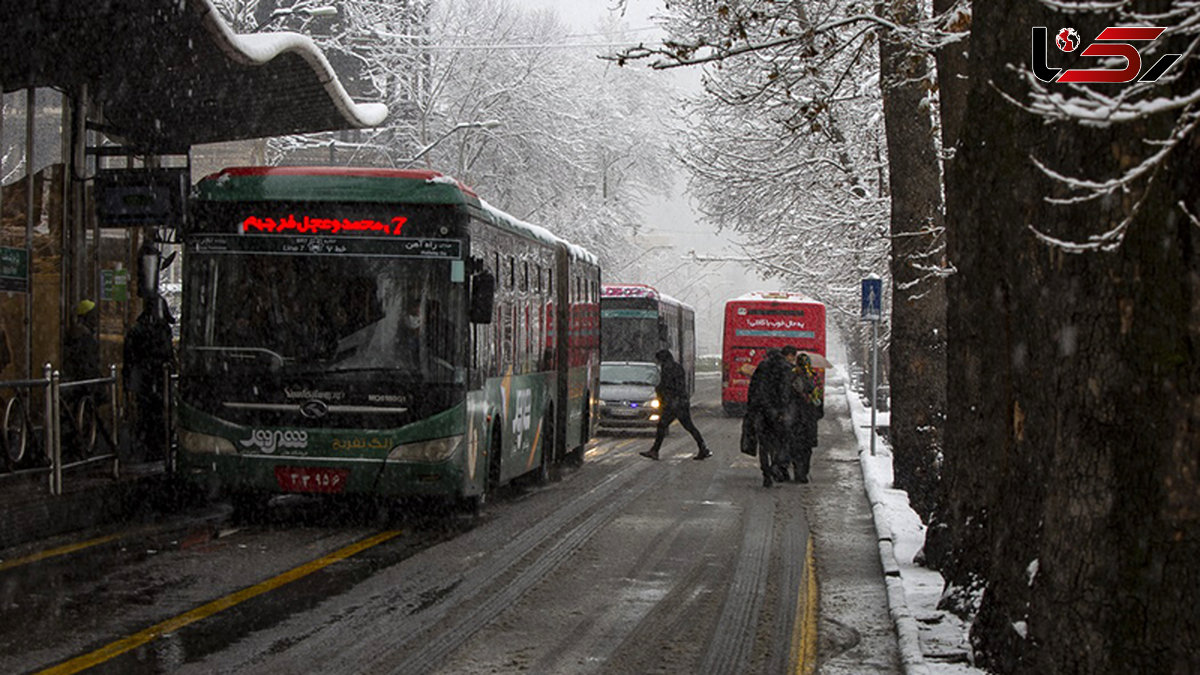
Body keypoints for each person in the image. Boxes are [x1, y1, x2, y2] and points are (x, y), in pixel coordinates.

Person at [123, 298, 175, 459]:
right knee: (157, 414)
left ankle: (148, 444)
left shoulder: (137, 329)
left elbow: (129, 357)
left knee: (146, 413)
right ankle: (156, 446)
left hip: (144, 380)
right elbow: (167, 354)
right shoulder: (160, 330)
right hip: (157, 381)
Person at [639, 349, 711, 461]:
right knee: (689, 426)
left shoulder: (667, 368)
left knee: (662, 425)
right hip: (682, 401)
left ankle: (655, 451)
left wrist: (659, 391)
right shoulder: (677, 366)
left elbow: (667, 385)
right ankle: (703, 448)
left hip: (674, 403)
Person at [746, 348, 793, 487]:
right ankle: (776, 465)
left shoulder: (762, 367)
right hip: (777, 411)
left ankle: (766, 473)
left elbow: (753, 388)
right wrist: (783, 409)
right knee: (781, 441)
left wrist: (752, 408)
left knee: (764, 445)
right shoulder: (785, 368)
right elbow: (786, 391)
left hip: (761, 410)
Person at [783, 347, 822, 483]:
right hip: (810, 419)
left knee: (795, 447)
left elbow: (786, 397)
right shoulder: (815, 378)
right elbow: (819, 402)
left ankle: (798, 471)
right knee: (807, 448)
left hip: (795, 418)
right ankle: (804, 472)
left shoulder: (791, 376)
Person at [64, 299, 101, 382]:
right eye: (93, 317)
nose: (95, 321)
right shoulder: (85, 338)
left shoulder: (76, 335)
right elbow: (88, 365)